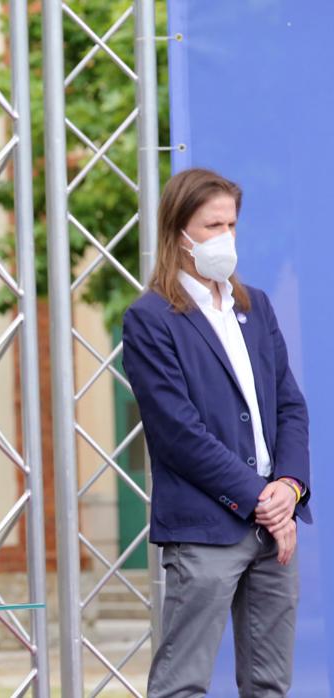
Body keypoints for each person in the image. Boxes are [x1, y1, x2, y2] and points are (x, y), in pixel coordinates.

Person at [123, 168, 310, 696]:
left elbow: (290, 406)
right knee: (182, 686)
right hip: (206, 528)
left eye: (231, 224)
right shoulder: (151, 318)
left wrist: (289, 488)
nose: (225, 237)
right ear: (179, 233)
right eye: (211, 225)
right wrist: (260, 498)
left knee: (270, 685)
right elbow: (178, 431)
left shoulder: (256, 306)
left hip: (274, 526)